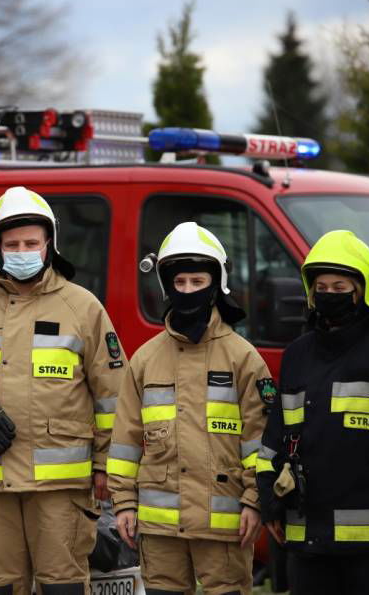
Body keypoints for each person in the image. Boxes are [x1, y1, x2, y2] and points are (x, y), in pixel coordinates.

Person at [0, 186, 126, 595]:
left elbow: (114, 397)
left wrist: (105, 467)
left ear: (49, 244)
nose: (22, 251)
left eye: (31, 243)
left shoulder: (83, 308)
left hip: (61, 492)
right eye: (12, 245)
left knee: (63, 587)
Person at [257, 230, 369, 595]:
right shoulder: (296, 356)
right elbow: (273, 441)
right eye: (322, 287)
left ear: (361, 291)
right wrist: (270, 504)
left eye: (339, 287)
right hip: (307, 538)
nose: (329, 294)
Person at [107, 221, 270, 595]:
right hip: (160, 530)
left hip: (224, 526)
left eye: (197, 281)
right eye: (179, 282)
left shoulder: (243, 359)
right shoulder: (145, 360)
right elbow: (125, 442)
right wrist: (124, 503)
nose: (187, 290)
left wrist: (254, 502)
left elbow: (261, 442)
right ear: (167, 286)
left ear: (216, 284)